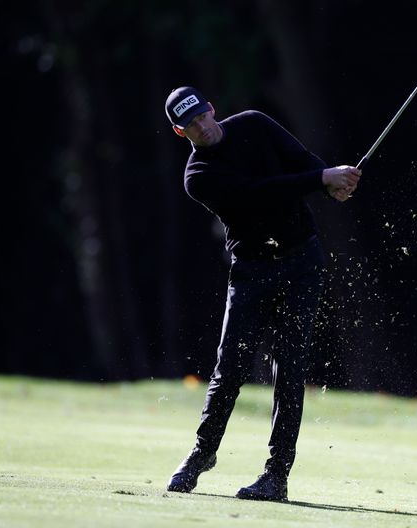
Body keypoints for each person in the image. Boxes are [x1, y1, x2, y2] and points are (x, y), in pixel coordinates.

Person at [163, 86, 360, 501]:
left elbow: (302, 161)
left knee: (288, 370)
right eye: (191, 126)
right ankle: (202, 454)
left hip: (302, 262)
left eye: (203, 116)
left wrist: (331, 181)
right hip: (251, 271)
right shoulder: (198, 178)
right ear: (182, 134)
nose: (203, 127)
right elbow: (257, 194)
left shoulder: (253, 123)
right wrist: (319, 180)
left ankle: (276, 477)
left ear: (212, 108)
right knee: (228, 370)